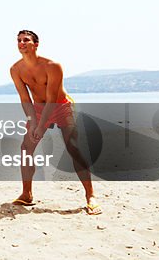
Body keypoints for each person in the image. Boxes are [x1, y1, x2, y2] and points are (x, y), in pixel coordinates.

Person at [10, 29, 100, 215]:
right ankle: (27, 194)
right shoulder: (15, 69)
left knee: (73, 148)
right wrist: (33, 122)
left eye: (26, 40)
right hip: (37, 109)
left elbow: (52, 99)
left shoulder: (52, 66)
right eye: (19, 40)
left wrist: (41, 124)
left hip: (59, 106)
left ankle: (90, 196)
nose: (21, 43)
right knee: (26, 149)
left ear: (36, 44)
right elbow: (25, 99)